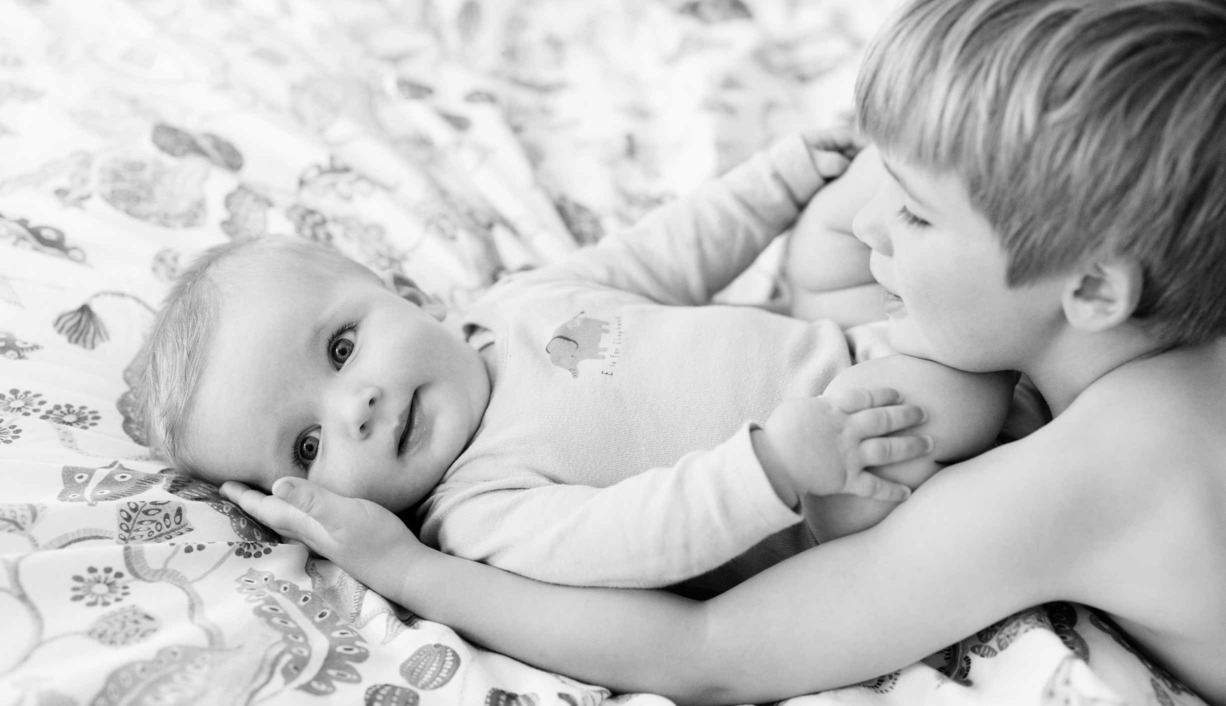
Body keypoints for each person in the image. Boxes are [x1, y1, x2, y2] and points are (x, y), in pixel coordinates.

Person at [220, 0, 1226, 704]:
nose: (874, 215)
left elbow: (710, 653)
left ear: (1093, 289)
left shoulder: (1087, 472)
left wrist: (410, 567)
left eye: (913, 210)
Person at [135, 131, 1015, 596]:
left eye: (340, 348)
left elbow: (659, 256)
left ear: (397, 292)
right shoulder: (479, 511)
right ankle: (1040, 352)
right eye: (307, 447)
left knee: (865, 185)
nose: (354, 408)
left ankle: (1019, 179)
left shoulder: (514, 305)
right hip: (836, 478)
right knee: (948, 397)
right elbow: (635, 534)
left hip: (823, 332)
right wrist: (777, 466)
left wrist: (776, 182)